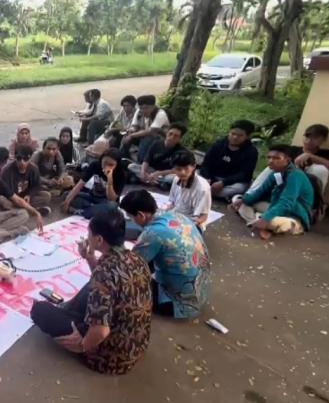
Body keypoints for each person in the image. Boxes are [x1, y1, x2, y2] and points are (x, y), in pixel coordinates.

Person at [30, 210, 151, 375]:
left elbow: (102, 331)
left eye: (89, 233)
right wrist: (89, 256)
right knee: (90, 286)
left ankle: (76, 330)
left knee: (40, 310)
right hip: (137, 345)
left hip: (111, 357)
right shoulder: (136, 258)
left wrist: (83, 346)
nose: (87, 237)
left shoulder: (103, 273)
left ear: (99, 239)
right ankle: (70, 315)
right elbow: (105, 283)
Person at [120, 190, 210, 319]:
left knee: (125, 285)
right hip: (201, 290)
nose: (131, 221)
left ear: (140, 215)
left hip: (180, 304)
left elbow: (127, 267)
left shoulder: (152, 234)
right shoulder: (177, 216)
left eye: (131, 217)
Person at [232, 145, 315, 240]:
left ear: (287, 160)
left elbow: (286, 203)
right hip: (275, 206)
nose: (271, 161)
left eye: (276, 158)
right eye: (269, 157)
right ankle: (258, 222)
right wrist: (243, 199)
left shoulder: (295, 176)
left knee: (273, 222)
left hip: (294, 214)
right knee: (239, 200)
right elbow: (260, 191)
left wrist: (266, 218)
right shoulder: (276, 173)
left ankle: (260, 222)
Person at [249, 124, 329, 195]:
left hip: (306, 187)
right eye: (307, 136)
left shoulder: (328, 154)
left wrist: (309, 156)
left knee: (321, 169)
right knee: (273, 166)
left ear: (323, 140)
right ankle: (250, 193)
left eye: (314, 138)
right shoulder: (291, 150)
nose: (309, 140)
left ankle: (313, 206)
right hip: (284, 182)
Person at [199, 120, 258, 200]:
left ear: (247, 137)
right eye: (233, 134)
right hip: (212, 177)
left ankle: (204, 192)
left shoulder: (251, 152)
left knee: (239, 188)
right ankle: (207, 191)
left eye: (240, 135)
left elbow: (244, 174)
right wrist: (206, 178)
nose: (235, 137)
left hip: (231, 183)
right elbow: (206, 164)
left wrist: (224, 183)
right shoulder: (219, 144)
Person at [62, 149, 126, 219]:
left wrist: (109, 181)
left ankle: (82, 211)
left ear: (117, 165)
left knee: (111, 207)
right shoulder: (95, 165)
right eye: (105, 163)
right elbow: (81, 184)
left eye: (111, 165)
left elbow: (111, 199)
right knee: (67, 195)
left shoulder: (121, 174)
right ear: (101, 160)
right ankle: (92, 209)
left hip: (106, 201)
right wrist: (67, 201)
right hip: (92, 196)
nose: (107, 166)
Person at [127, 123, 188, 188]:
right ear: (167, 133)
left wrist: (159, 173)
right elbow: (146, 160)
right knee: (131, 166)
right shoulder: (156, 143)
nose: (172, 137)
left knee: (175, 178)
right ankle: (157, 182)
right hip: (152, 170)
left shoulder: (181, 151)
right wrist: (143, 171)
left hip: (166, 174)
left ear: (179, 139)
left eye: (176, 136)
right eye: (170, 134)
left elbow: (176, 170)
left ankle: (150, 180)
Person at [0, 144, 52, 216]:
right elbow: (5, 191)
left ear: (30, 158)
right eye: (19, 158)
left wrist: (29, 195)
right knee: (2, 201)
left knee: (46, 196)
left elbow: (37, 185)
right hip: (12, 198)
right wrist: (18, 200)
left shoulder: (33, 168)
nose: (22, 162)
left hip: (26, 198)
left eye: (25, 159)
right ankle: (31, 211)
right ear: (15, 157)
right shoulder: (6, 170)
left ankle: (20, 211)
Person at [168, 150, 212, 229]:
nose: (183, 172)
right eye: (178, 169)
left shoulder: (203, 188)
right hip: (175, 217)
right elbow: (172, 203)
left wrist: (185, 225)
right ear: (173, 169)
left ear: (194, 166)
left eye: (186, 168)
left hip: (192, 224)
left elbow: (203, 217)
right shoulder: (176, 179)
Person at [120, 95, 170, 162]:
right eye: (141, 108)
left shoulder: (160, 114)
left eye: (146, 108)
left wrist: (132, 135)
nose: (143, 110)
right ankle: (124, 159)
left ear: (153, 107)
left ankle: (141, 162)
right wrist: (131, 131)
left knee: (146, 139)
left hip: (160, 138)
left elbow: (151, 131)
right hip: (143, 135)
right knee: (125, 137)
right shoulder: (139, 112)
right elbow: (134, 126)